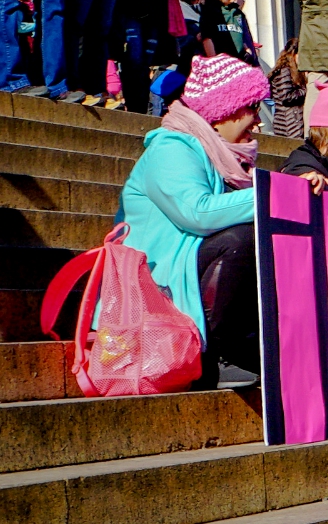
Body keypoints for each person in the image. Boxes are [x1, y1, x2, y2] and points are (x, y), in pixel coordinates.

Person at [114, 54, 270, 388]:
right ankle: (225, 349)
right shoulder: (170, 149)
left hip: (184, 271)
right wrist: (272, 193)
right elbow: (198, 213)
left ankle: (252, 347)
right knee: (242, 240)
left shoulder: (219, 157)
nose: (258, 120)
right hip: (157, 285)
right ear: (220, 113)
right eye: (252, 107)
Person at [200, 0, 258, 66]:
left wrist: (247, 51)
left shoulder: (237, 13)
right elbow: (207, 39)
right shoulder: (210, 12)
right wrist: (214, 61)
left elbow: (242, 36)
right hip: (221, 64)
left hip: (239, 63)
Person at [268, 38, 306, 139]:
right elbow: (286, 97)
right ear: (293, 53)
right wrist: (306, 90)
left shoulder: (292, 71)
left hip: (292, 123)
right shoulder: (284, 71)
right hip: (289, 124)